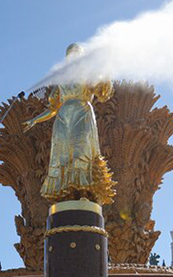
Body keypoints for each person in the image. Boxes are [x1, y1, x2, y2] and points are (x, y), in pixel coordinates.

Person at [23, 44, 115, 205]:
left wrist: (106, 73)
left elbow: (102, 95)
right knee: (62, 156)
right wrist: (34, 120)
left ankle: (84, 192)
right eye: (70, 56)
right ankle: (66, 194)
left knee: (82, 150)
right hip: (63, 118)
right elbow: (52, 108)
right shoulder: (62, 81)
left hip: (82, 113)